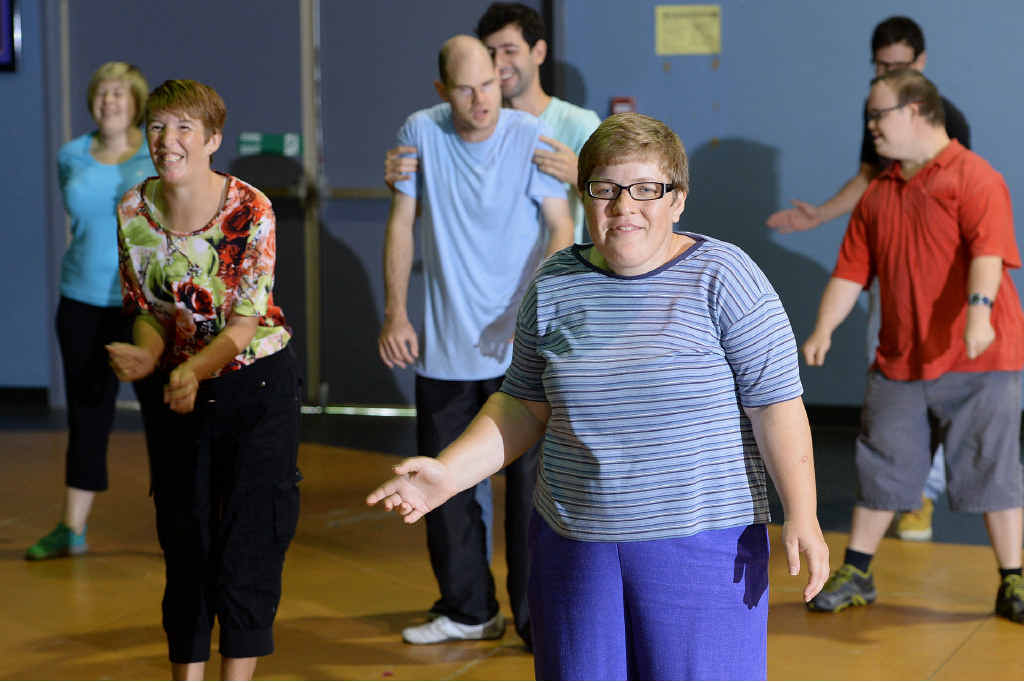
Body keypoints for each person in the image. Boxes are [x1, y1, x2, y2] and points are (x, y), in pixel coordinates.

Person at [370, 112, 829, 680]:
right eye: (605, 190)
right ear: (584, 196)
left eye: (645, 190)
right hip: (576, 543)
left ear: (676, 200)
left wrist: (803, 514)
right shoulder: (556, 281)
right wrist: (449, 472)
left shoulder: (725, 277)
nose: (624, 207)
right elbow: (522, 404)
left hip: (703, 546)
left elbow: (775, 406)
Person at [802, 69, 1024, 623]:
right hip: (902, 360)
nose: (870, 127)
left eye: (879, 115)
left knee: (989, 467)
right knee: (883, 462)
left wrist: (977, 314)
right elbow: (851, 272)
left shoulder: (976, 178)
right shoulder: (879, 192)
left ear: (918, 112)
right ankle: (857, 570)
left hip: (981, 356)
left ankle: (1012, 580)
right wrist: (823, 328)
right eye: (869, 116)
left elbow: (988, 254)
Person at [377, 35, 573, 648]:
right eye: (465, 88)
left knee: (531, 495)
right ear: (442, 91)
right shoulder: (421, 131)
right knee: (442, 484)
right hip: (444, 348)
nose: (480, 98)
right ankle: (468, 610)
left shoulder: (527, 133)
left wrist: (533, 314)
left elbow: (561, 227)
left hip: (520, 351)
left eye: (488, 83)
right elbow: (401, 223)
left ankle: (538, 621)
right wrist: (396, 313)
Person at [107, 79, 302, 680]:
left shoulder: (251, 210)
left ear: (213, 139)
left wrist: (193, 366)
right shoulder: (133, 210)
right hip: (178, 392)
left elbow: (245, 324)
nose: (168, 141)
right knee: (184, 538)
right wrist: (147, 354)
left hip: (255, 386)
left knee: (248, 539)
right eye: (159, 127)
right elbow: (149, 310)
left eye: (185, 128)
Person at [766, 15, 971, 542]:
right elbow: (868, 182)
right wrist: (820, 215)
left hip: (943, 286)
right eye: (880, 66)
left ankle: (923, 496)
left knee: (939, 385)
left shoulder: (950, 125)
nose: (886, 74)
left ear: (920, 66)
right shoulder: (875, 122)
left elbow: (961, 204)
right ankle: (889, 501)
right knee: (888, 383)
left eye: (898, 66)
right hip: (891, 279)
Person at [26, 62, 155, 561]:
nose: (110, 102)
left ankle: (180, 527)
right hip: (80, 300)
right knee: (87, 416)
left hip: (144, 304)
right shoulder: (71, 155)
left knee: (163, 418)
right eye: (102, 93)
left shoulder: (154, 153)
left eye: (120, 94)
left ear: (136, 102)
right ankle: (71, 528)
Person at [385, 2, 601, 244]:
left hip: (554, 275)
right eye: (491, 53)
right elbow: (441, 217)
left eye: (509, 50)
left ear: (538, 52)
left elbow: (615, 209)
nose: (498, 64)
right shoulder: (466, 126)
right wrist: (404, 187)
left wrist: (579, 177)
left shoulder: (581, 124)